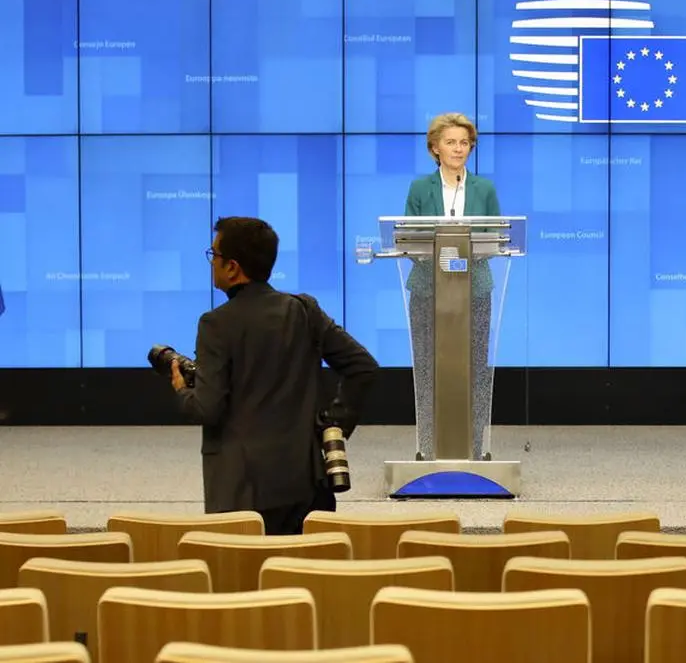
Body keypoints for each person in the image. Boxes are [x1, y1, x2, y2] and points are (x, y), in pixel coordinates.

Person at [172, 217, 379, 535]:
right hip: (307, 483)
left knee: (246, 582)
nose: (212, 262)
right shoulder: (304, 311)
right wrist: (333, 424)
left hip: (241, 492)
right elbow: (362, 366)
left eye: (214, 255)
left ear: (232, 267)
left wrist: (182, 390)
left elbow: (207, 408)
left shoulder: (215, 324)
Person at [403, 112, 501, 460]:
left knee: (475, 367)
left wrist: (466, 250)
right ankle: (428, 448)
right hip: (428, 290)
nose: (459, 149)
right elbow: (410, 238)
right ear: (435, 148)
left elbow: (495, 236)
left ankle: (475, 448)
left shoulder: (484, 188)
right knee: (428, 367)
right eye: (451, 142)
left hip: (474, 291)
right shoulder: (419, 188)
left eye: (464, 143)